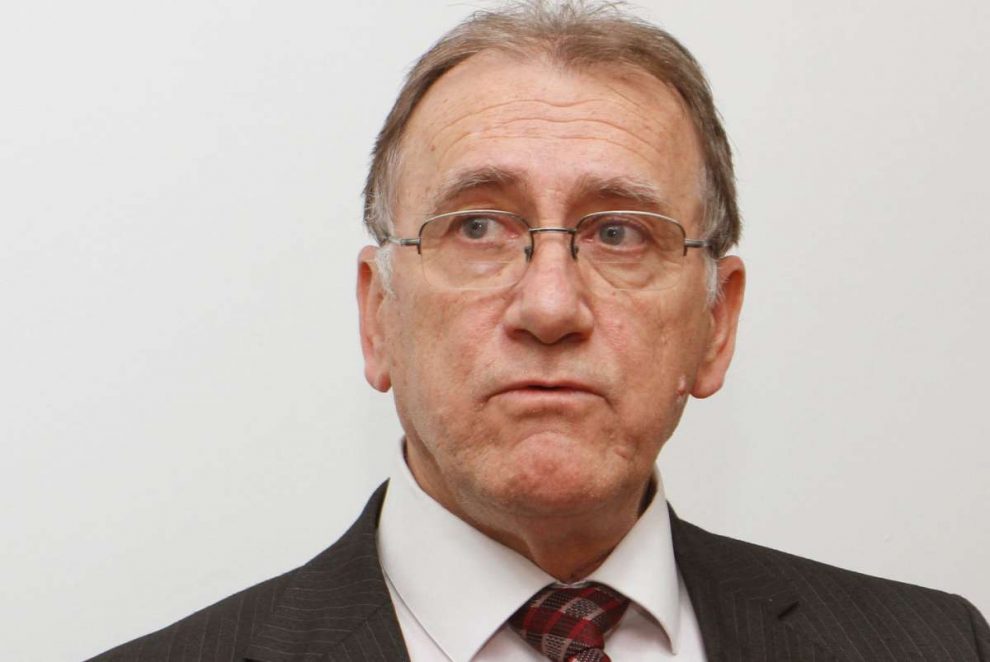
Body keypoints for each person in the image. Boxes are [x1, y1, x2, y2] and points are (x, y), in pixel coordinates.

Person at [90, 2, 988, 661]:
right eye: (477, 227)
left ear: (715, 325)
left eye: (619, 233)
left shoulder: (937, 646)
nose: (551, 307)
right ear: (378, 315)